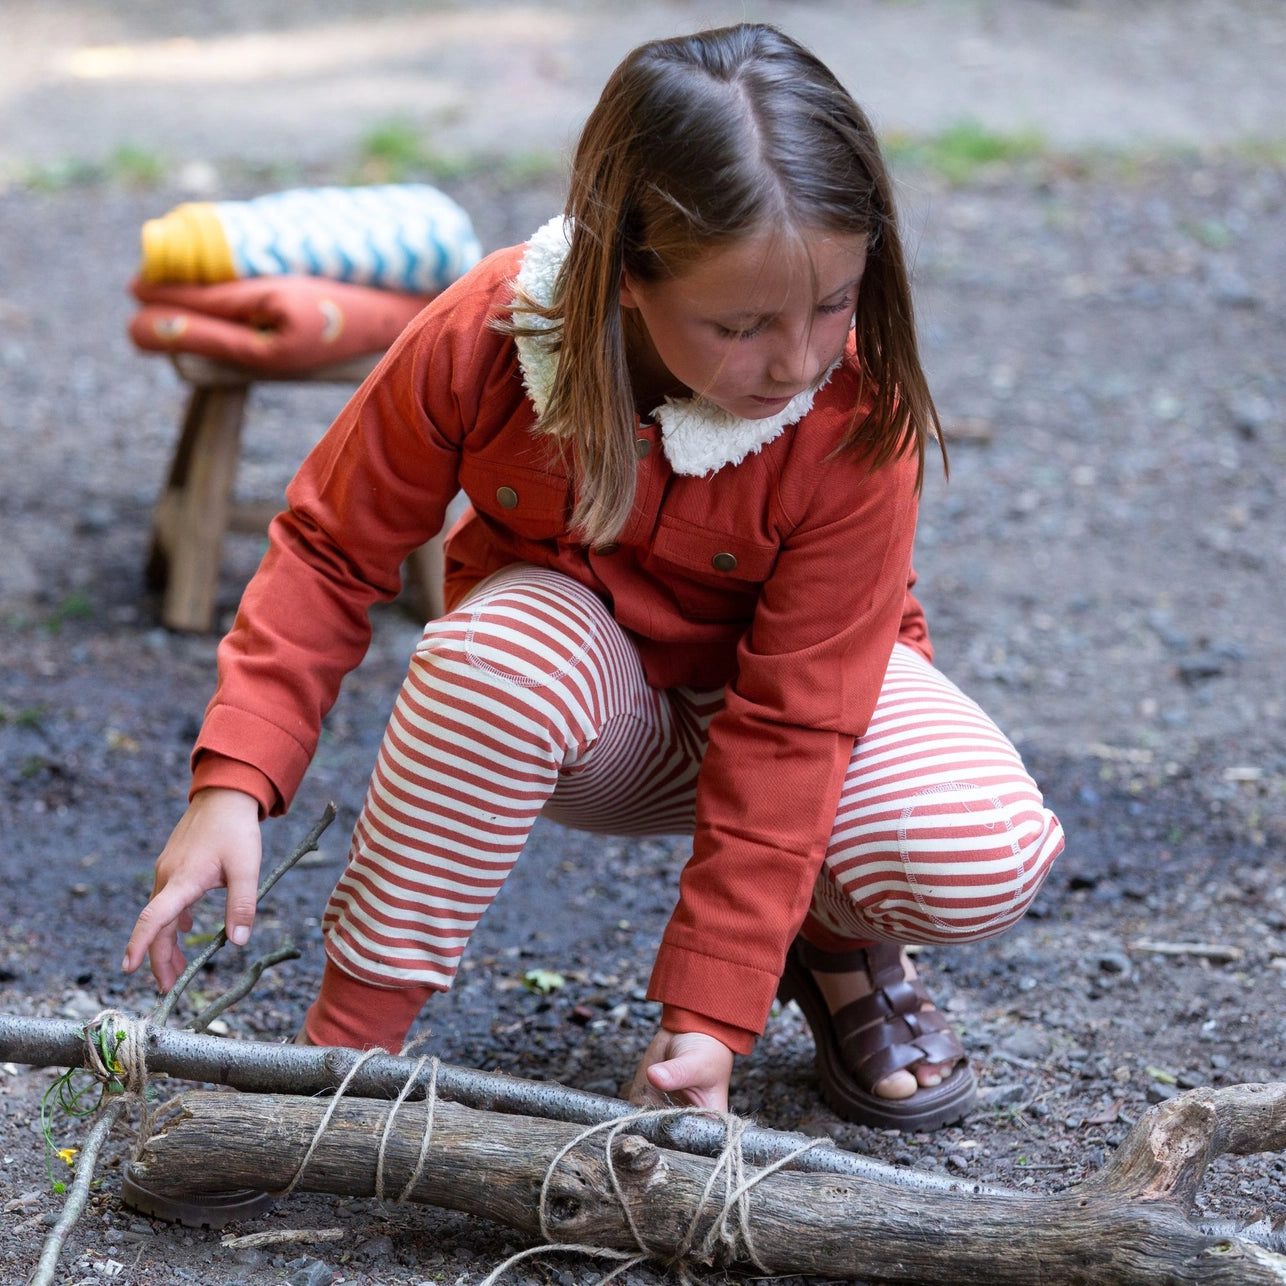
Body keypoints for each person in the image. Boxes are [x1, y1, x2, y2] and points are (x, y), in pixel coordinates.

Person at [123, 23, 1063, 1133]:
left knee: (971, 850)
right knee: (491, 654)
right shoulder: (490, 333)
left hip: (791, 712)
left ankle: (830, 936)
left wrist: (704, 1017)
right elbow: (332, 545)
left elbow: (796, 724)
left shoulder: (851, 412)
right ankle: (341, 1059)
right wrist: (232, 781)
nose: (797, 359)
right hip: (585, 710)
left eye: (830, 302)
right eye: (740, 322)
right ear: (621, 272)